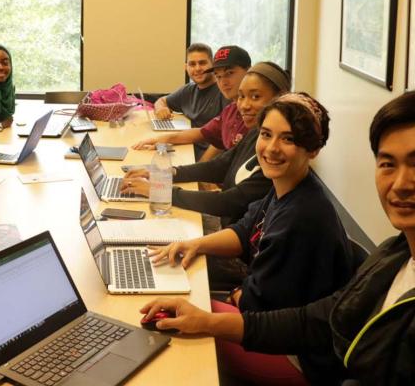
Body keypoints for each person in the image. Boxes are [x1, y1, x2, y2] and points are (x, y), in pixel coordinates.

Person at [140, 92, 415, 385]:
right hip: (295, 335)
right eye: (388, 164)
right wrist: (195, 244)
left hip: (301, 361)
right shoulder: (394, 251)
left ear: (313, 150)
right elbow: (247, 230)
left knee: (174, 338)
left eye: (289, 139)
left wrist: (228, 302)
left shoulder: (304, 216)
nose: (400, 184)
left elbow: (260, 306)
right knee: (185, 307)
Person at [122, 61, 290, 228]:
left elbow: (228, 202)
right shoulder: (256, 132)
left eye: (255, 97)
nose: (244, 106)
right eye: (241, 97)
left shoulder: (276, 155)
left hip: (234, 237)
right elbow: (218, 166)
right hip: (227, 227)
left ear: (280, 98)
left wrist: (160, 191)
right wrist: (163, 173)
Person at [132, 45, 252, 162]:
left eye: (229, 73)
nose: (223, 82)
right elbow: (203, 132)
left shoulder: (246, 108)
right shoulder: (230, 109)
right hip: (195, 152)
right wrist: (159, 139)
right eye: (219, 76)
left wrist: (201, 171)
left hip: (212, 162)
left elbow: (218, 142)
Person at [153, 43, 227, 126]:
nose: (197, 68)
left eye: (202, 63)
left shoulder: (225, 90)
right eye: (192, 64)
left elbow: (216, 131)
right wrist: (161, 109)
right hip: (188, 136)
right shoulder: (188, 90)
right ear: (186, 67)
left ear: (213, 64)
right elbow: (161, 100)